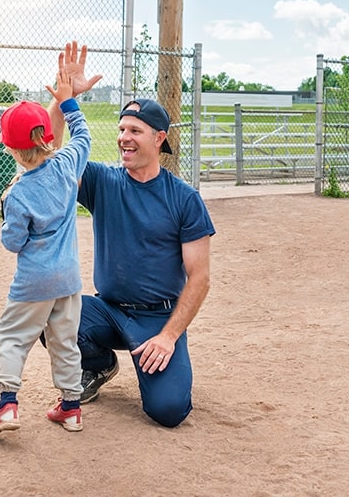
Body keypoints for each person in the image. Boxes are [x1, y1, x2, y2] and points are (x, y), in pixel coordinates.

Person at [48, 42, 215, 428]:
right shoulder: (103, 180)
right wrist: (64, 99)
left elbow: (200, 278)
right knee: (50, 310)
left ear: (159, 139)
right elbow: (52, 153)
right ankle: (100, 364)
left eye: (135, 130)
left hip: (158, 318)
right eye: (121, 128)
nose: (124, 137)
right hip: (107, 310)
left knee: (169, 412)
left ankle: (156, 361)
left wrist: (169, 336)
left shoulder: (184, 199)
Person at [0, 60, 92, 433]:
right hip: (69, 280)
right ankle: (71, 407)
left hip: (33, 283)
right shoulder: (65, 166)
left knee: (12, 337)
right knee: (64, 342)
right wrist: (69, 103)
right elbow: (83, 137)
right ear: (46, 138)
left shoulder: (17, 193)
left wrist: (7, 217)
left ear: (10, 148)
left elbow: (13, 242)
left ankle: (8, 404)